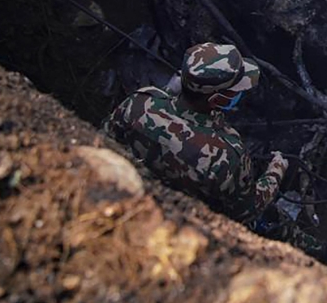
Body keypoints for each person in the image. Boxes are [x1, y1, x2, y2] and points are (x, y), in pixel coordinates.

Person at [103, 42, 287, 222]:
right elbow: (246, 212)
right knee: (275, 223)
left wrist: (167, 92)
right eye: (235, 91)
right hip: (181, 221)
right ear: (217, 99)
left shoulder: (139, 102)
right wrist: (275, 171)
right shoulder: (226, 155)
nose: (240, 93)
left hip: (125, 192)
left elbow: (105, 139)